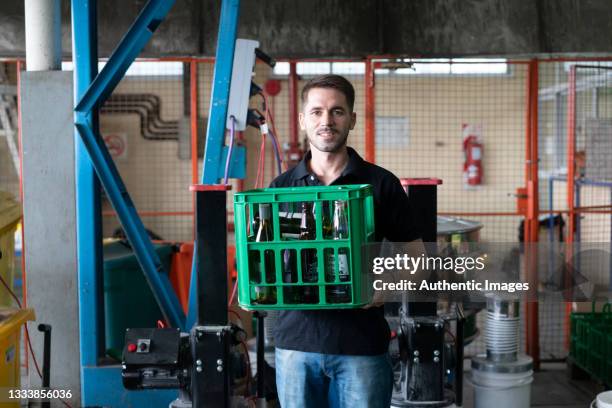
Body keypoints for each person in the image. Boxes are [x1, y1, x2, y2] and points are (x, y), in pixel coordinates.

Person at [270, 74, 421, 408]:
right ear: (302, 119)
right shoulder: (280, 190)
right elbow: (267, 264)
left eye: (337, 111)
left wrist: (390, 286)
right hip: (297, 345)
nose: (327, 121)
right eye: (317, 111)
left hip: (361, 345)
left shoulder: (381, 184)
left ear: (352, 118)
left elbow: (417, 259)